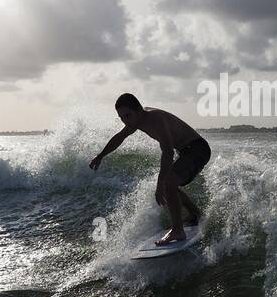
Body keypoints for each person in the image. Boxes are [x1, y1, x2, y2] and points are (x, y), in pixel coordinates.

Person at [89, 93, 211, 245]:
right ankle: (195, 214)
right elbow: (119, 137)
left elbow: (168, 152)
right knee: (170, 185)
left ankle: (178, 230)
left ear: (139, 110)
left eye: (128, 115)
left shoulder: (155, 119)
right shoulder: (136, 121)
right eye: (121, 117)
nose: (125, 120)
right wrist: (101, 155)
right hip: (187, 151)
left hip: (197, 149)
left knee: (168, 183)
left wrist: (160, 184)